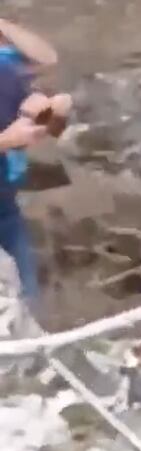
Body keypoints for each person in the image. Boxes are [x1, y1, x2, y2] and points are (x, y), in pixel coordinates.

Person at [0, 19, 72, 318]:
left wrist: (52, 114)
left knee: (28, 300)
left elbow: (47, 59)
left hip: (5, 204)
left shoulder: (5, 70)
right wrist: (7, 140)